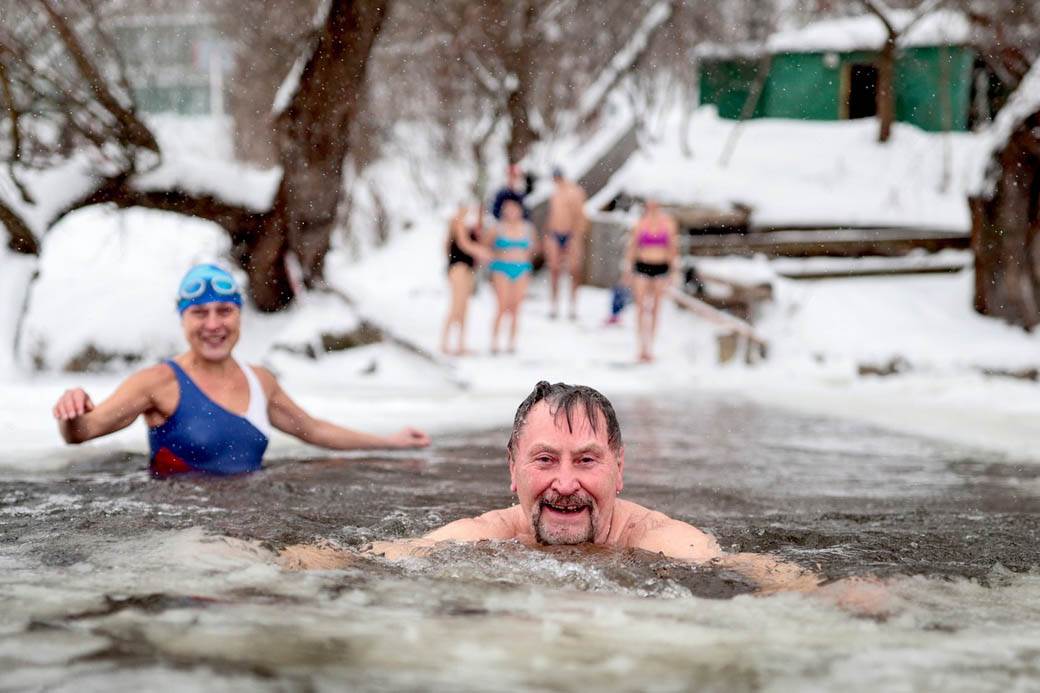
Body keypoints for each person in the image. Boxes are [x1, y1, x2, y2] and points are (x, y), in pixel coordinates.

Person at [281, 382, 886, 611]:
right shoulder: (484, 537)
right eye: (545, 460)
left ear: (619, 471)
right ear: (511, 472)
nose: (565, 483)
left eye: (587, 460)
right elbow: (377, 557)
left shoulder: (664, 543)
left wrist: (828, 593)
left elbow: (739, 572)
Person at [52, 264, 431, 477]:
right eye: (199, 313)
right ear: (183, 320)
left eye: (224, 311)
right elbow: (83, 432)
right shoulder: (158, 382)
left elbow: (314, 429)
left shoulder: (260, 382)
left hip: (248, 519)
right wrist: (73, 412)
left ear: (238, 315)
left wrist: (389, 442)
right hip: (177, 528)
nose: (213, 324)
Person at [623, 199, 680, 363]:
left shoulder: (668, 223)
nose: (652, 209)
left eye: (655, 205)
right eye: (650, 206)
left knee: (655, 307)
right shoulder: (641, 223)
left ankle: (650, 348)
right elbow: (633, 247)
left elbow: (672, 248)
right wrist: (628, 269)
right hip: (642, 266)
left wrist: (674, 271)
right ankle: (641, 346)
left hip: (661, 267)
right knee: (641, 308)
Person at [487, 199, 535, 355]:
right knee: (502, 306)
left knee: (516, 308)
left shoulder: (527, 228)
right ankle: (494, 342)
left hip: (521, 269)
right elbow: (486, 246)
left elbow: (534, 248)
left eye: (515, 209)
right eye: (508, 209)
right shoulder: (497, 228)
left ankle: (511, 343)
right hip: (502, 268)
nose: (512, 213)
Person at [441, 203, 489, 356]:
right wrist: (481, 252)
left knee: (464, 307)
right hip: (458, 268)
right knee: (456, 306)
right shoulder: (457, 222)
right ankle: (445, 343)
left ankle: (460, 344)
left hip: (468, 269)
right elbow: (464, 244)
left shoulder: (472, 225)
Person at [543, 167, 588, 320]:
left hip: (570, 234)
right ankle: (553, 305)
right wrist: (548, 235)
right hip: (555, 234)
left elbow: (580, 216)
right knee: (554, 270)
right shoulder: (555, 193)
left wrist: (576, 237)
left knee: (574, 271)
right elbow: (552, 215)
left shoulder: (574, 192)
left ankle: (573, 306)